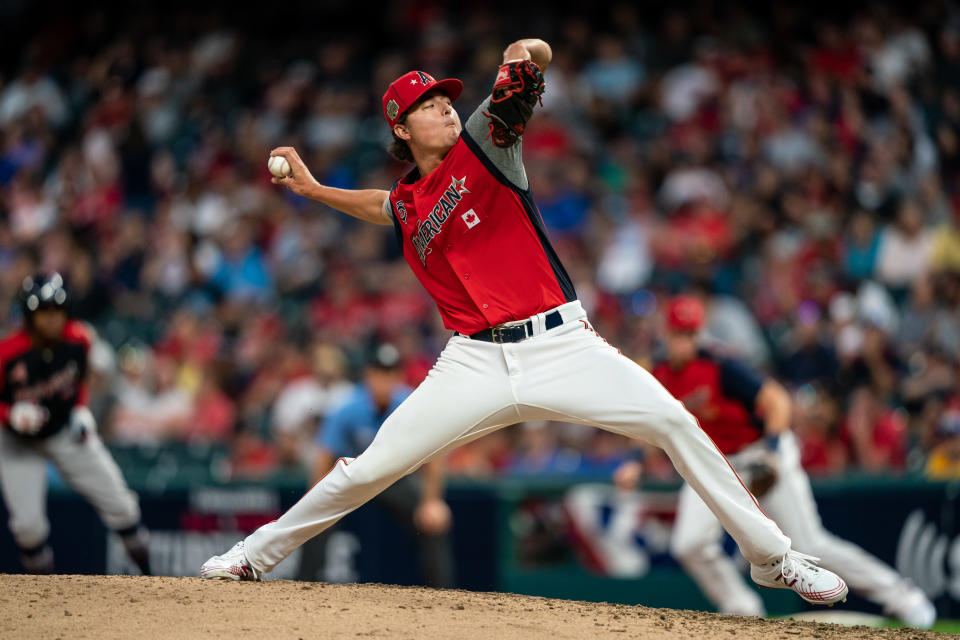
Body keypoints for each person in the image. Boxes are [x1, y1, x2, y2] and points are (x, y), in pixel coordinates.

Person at [202, 38, 849, 608]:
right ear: (400, 129)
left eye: (445, 99)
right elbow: (385, 206)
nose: (445, 108)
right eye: (427, 105)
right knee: (368, 469)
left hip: (562, 343)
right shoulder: (407, 200)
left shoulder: (487, 143)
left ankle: (774, 559)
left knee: (675, 421)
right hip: (474, 362)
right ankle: (251, 557)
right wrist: (316, 193)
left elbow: (533, 61)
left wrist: (526, 52)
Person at [613, 295, 935, 627]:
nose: (685, 342)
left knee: (811, 544)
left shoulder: (721, 365)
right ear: (666, 335)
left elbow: (777, 401)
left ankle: (903, 596)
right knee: (688, 543)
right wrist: (637, 460)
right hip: (715, 463)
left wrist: (772, 451)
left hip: (759, 452)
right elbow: (655, 424)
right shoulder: (661, 372)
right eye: (679, 334)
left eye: (691, 334)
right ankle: (742, 607)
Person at [0, 273, 151, 575]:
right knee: (29, 529)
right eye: (44, 313)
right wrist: (8, 414)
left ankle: (152, 579)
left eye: (56, 312)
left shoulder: (79, 338)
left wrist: (81, 407)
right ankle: (42, 597)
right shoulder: (8, 352)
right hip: (16, 441)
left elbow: (78, 379)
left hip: (62, 430)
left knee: (123, 507)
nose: (52, 320)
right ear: (30, 316)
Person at [296, 344, 454, 587]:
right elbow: (324, 455)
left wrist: (432, 500)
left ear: (398, 376)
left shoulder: (411, 404)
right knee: (314, 516)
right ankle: (303, 585)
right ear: (368, 375)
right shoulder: (349, 408)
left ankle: (441, 592)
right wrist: (313, 497)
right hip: (354, 476)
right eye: (379, 372)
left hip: (394, 479)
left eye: (390, 373)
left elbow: (434, 457)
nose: (384, 380)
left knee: (432, 520)